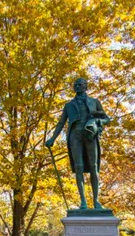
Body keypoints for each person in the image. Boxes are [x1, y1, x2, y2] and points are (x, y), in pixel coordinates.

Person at [45, 78, 110, 209]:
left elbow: (106, 119)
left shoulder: (95, 102)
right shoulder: (69, 105)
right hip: (75, 136)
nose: (77, 86)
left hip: (90, 135)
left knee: (93, 166)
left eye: (80, 84)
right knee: (79, 167)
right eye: (75, 85)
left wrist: (97, 122)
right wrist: (52, 138)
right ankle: (83, 202)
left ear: (86, 86)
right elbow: (61, 123)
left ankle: (96, 201)